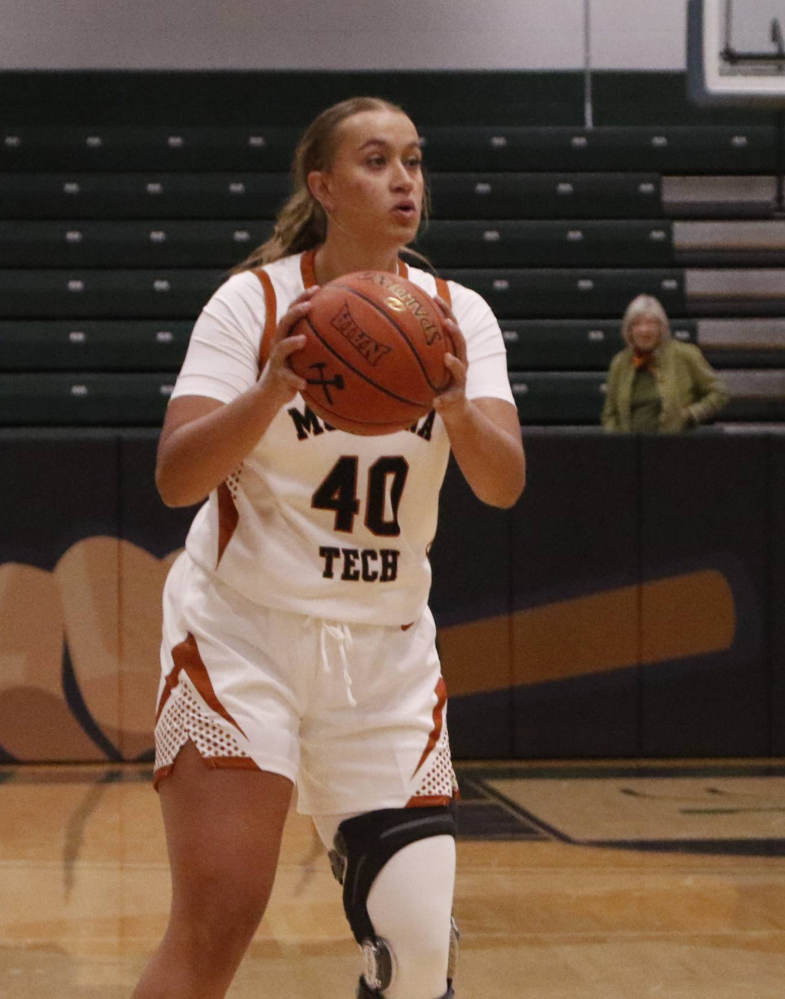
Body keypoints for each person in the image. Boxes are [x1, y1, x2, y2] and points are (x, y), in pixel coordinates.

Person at [138, 97, 525, 999]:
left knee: (421, 946)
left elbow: (503, 484)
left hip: (385, 654)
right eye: (377, 161)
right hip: (244, 637)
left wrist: (459, 408)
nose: (404, 180)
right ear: (323, 186)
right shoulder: (254, 301)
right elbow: (175, 477)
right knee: (218, 920)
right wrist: (272, 388)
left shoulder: (457, 315)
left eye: (415, 161)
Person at [601, 293, 729, 433]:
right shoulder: (619, 362)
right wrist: (618, 442)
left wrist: (690, 414)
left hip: (675, 446)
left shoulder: (685, 354)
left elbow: (719, 392)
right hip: (630, 449)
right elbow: (609, 414)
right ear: (629, 331)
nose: (644, 330)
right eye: (637, 324)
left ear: (661, 328)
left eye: (651, 323)